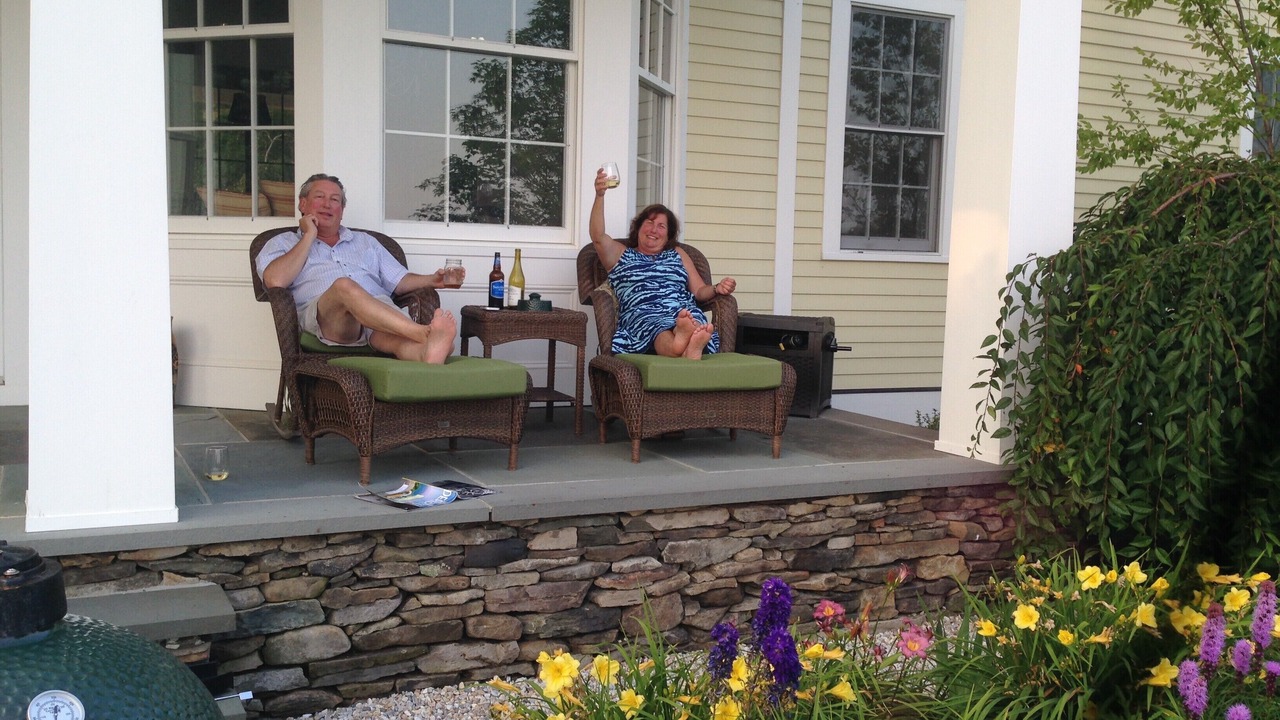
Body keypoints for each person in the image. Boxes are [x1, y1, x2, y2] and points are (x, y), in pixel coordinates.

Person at [256, 173, 462, 364]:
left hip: (377, 314)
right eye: (320, 197)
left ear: (342, 211)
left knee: (397, 342)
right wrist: (309, 235)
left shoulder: (366, 242)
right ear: (303, 203)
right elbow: (275, 281)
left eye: (335, 200)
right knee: (344, 286)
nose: (327, 204)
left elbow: (398, 281)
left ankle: (428, 353)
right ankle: (423, 333)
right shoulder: (282, 242)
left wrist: (433, 279)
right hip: (331, 320)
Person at [588, 168, 736, 360]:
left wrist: (717, 288)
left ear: (668, 236)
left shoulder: (677, 254)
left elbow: (699, 290)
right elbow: (597, 236)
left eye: (661, 226)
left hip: (682, 311)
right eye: (649, 223)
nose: (654, 230)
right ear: (638, 227)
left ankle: (686, 347)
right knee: (654, 324)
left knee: (692, 317)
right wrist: (600, 195)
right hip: (642, 312)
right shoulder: (621, 254)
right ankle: (684, 345)